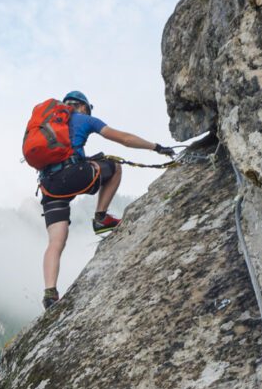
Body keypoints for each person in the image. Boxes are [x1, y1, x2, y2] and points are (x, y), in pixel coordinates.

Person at [39, 90, 175, 310]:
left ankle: (50, 293)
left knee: (55, 242)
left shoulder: (48, 125)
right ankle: (101, 217)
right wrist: (156, 147)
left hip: (48, 186)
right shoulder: (84, 118)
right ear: (83, 106)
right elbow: (125, 139)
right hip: (73, 176)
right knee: (114, 166)